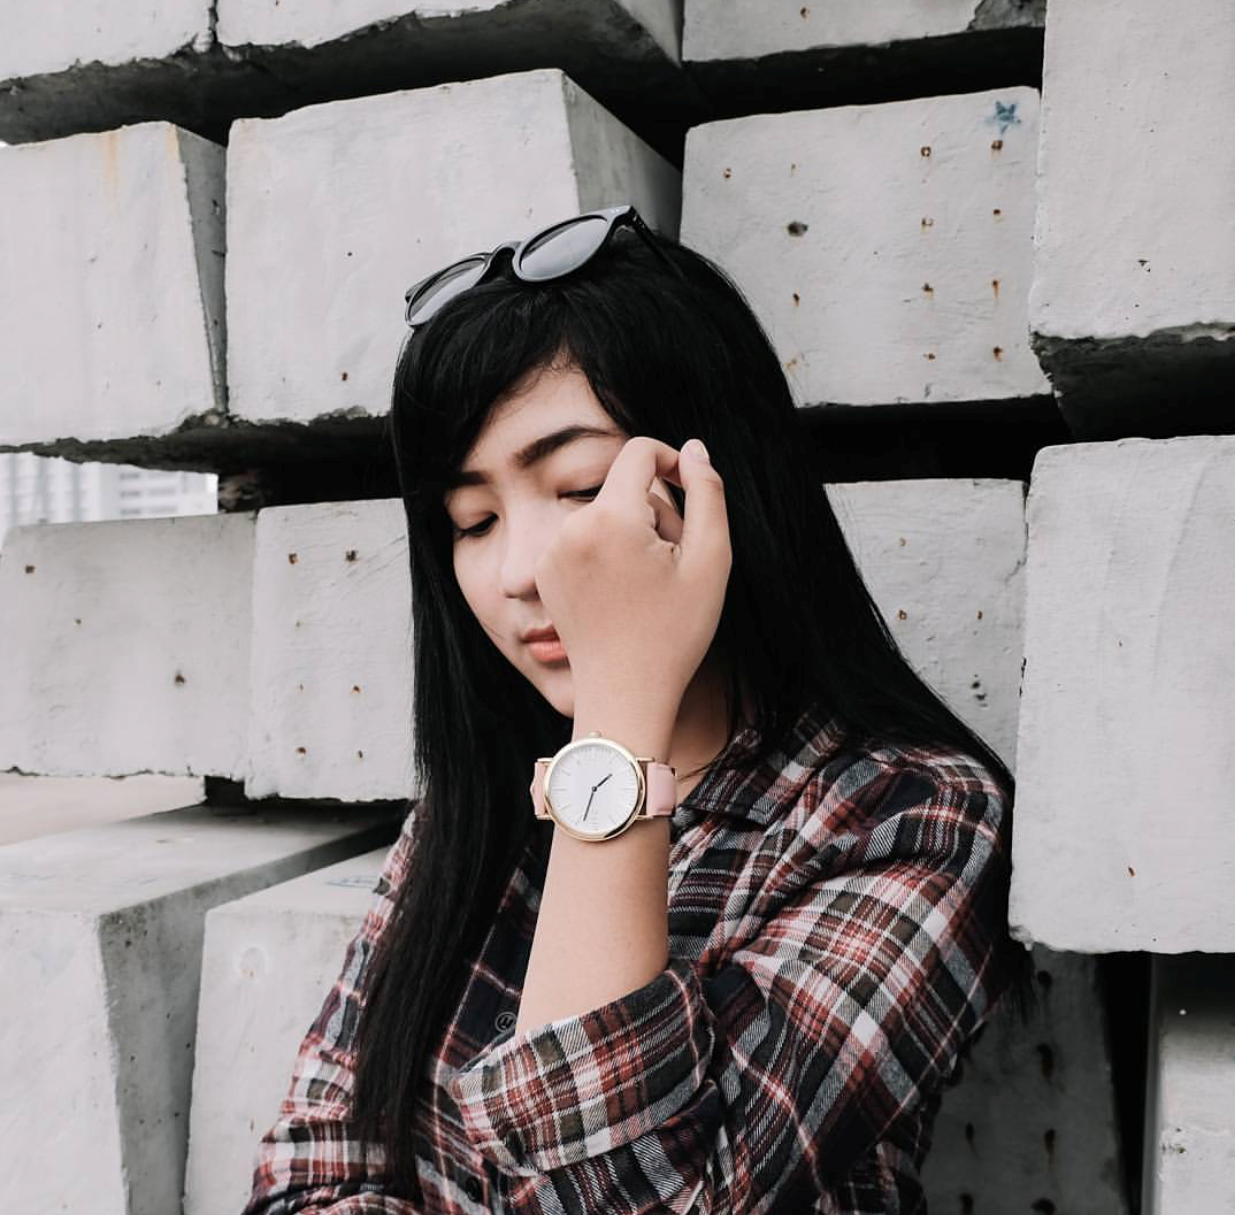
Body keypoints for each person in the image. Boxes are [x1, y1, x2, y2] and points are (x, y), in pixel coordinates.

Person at [240, 203, 1034, 1215]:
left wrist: (618, 716)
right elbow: (312, 1176)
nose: (526, 571)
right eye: (472, 520)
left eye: (576, 489)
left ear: (716, 482)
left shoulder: (906, 816)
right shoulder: (476, 806)